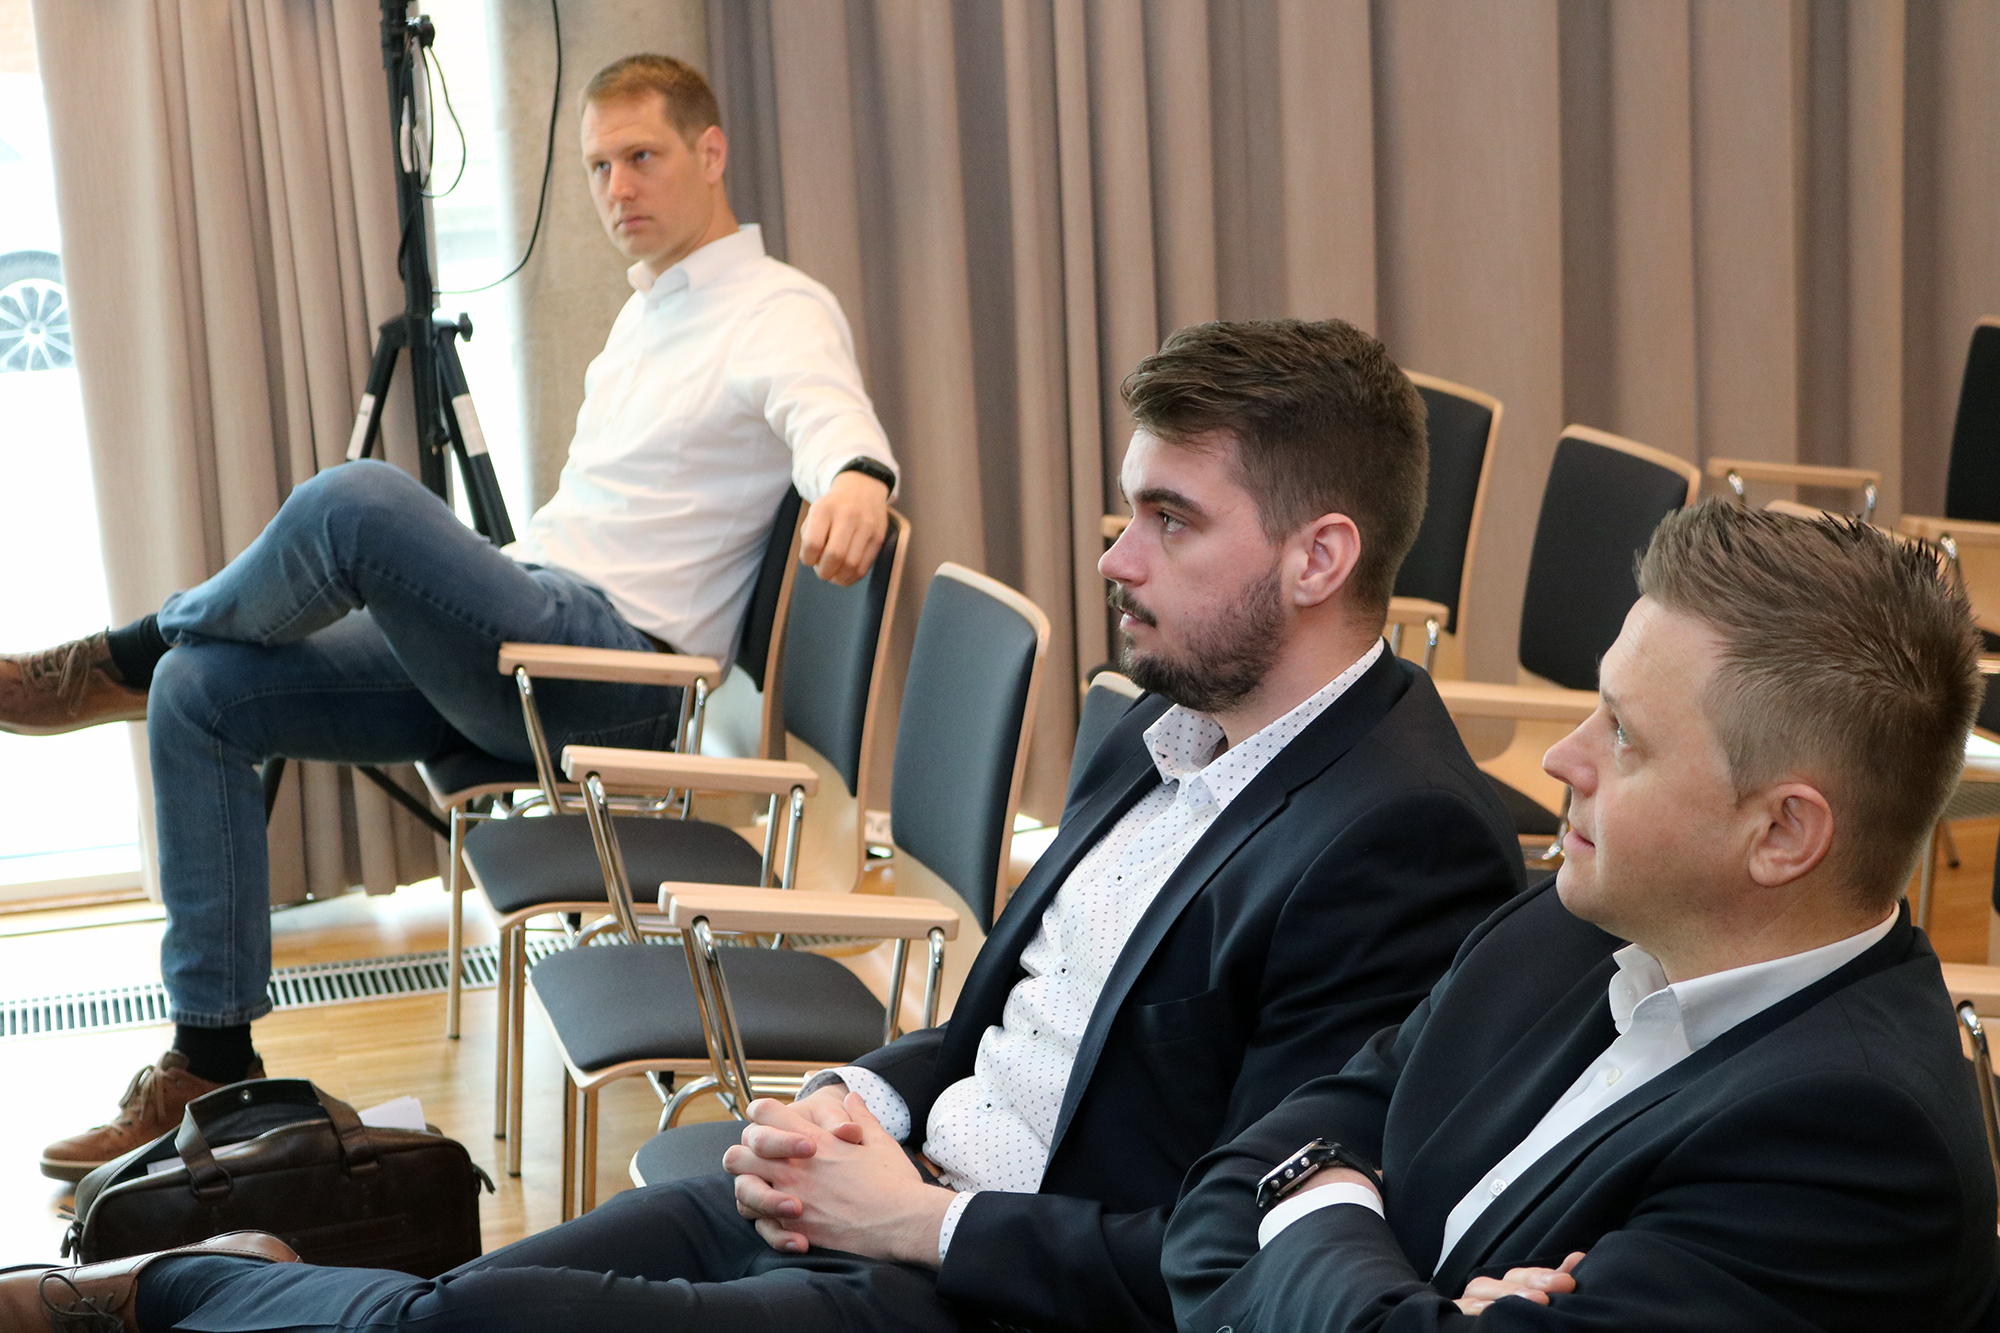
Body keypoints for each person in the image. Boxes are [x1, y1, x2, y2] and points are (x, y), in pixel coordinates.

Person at [0, 318, 1524, 1333]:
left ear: (1321, 556)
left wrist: (919, 1223)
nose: (1115, 558)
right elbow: (999, 1033)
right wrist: (854, 1095)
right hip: (877, 1187)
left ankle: (170, 1295)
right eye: (1126, 510)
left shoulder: (1399, 841)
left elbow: (1234, 1259)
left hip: (980, 1289)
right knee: (471, 1301)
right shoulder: (1157, 724)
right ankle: (208, 1287)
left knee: (454, 1325)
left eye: (1168, 520)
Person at [2, 53, 901, 1182]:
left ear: (710, 152)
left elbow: (828, 414)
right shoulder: (647, 314)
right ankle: (210, 1059)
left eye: (642, 157)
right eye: (597, 167)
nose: (617, 187)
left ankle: (123, 651)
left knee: (355, 501)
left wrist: (858, 477)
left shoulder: (777, 309)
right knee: (202, 693)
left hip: (612, 679)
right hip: (526, 652)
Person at [1162, 501, 2000, 1332]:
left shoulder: (1848, 1147)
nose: (1565, 757)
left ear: (1782, 833)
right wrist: (1417, 1303)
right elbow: (1223, 1195)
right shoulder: (1567, 929)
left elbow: (1283, 1183)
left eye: (1625, 734)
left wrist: (1321, 1204)